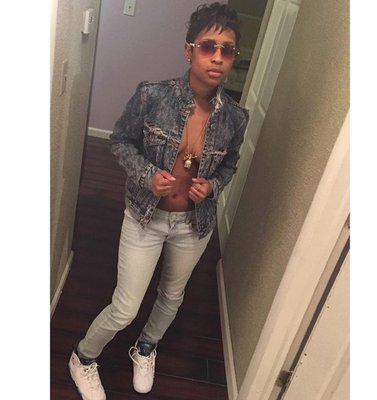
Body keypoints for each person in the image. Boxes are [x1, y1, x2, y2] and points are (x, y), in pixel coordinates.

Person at [68, 2, 249, 399]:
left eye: (227, 50)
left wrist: (213, 187)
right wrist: (148, 175)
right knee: (125, 306)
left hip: (195, 225)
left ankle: (146, 347)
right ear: (189, 50)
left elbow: (230, 164)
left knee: (172, 296)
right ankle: (83, 357)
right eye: (208, 46)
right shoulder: (152, 96)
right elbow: (120, 141)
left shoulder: (236, 118)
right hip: (145, 218)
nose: (218, 57)